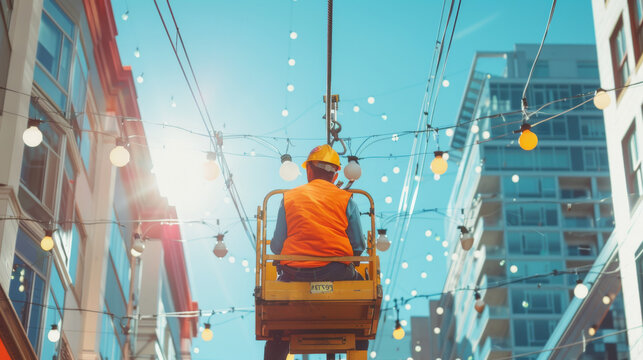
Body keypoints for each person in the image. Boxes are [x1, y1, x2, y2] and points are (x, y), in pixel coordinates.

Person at [264, 144, 367, 360]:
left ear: (309, 170)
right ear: (336, 173)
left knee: (276, 331)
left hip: (294, 275)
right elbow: (358, 247)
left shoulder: (289, 197)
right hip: (337, 274)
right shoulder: (347, 200)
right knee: (363, 305)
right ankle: (358, 347)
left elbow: (276, 246)